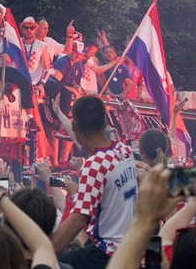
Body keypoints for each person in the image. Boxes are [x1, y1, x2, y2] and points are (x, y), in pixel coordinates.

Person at [52, 96, 137, 269]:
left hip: (106, 254)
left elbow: (78, 219)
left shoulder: (94, 165)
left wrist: (44, 252)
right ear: (105, 123)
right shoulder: (124, 151)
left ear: (75, 126)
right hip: (130, 247)